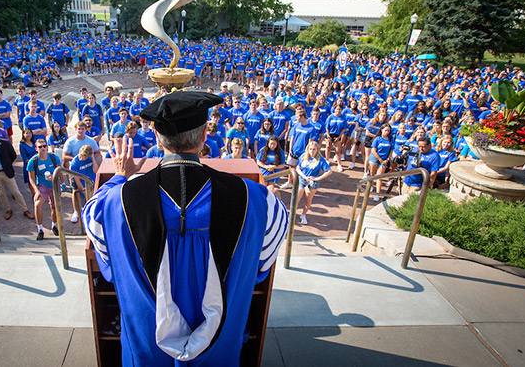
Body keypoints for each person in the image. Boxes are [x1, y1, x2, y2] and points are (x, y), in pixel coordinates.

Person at [83, 90, 287, 365]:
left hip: (148, 355)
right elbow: (261, 263)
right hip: (219, 354)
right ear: (204, 137)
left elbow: (94, 223)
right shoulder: (256, 199)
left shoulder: (114, 202)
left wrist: (119, 177)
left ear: (157, 137)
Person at [0, 125, 34, 221]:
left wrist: (7, 164)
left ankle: (25, 209)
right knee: (1, 193)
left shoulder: (4, 143)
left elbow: (13, 155)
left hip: (6, 171)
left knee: (16, 192)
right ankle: (8, 209)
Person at [26, 137, 62, 239]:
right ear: (36, 149)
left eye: (44, 146)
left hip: (54, 185)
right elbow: (31, 179)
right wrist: (36, 191)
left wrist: (56, 177)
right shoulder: (33, 161)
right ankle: (40, 229)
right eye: (40, 147)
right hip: (42, 185)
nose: (43, 148)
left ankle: (54, 225)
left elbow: (60, 171)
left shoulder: (54, 157)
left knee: (54, 207)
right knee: (37, 204)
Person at [295, 140, 333, 225]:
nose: (312, 151)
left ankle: (303, 215)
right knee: (296, 198)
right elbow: (298, 168)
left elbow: (329, 171)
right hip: (302, 180)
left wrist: (318, 178)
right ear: (308, 149)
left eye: (314, 149)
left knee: (308, 200)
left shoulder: (320, 159)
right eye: (311, 149)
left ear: (317, 150)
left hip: (312, 183)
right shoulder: (303, 157)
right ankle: (293, 214)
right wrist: (304, 177)